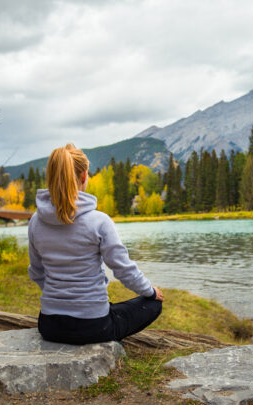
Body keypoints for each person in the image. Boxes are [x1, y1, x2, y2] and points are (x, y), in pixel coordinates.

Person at [28, 143, 163, 345]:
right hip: (93, 327)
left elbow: (37, 272)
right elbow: (123, 269)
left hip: (49, 325)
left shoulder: (35, 221)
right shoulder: (99, 221)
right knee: (153, 305)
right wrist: (150, 291)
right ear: (84, 177)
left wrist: (60, 300)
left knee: (112, 308)